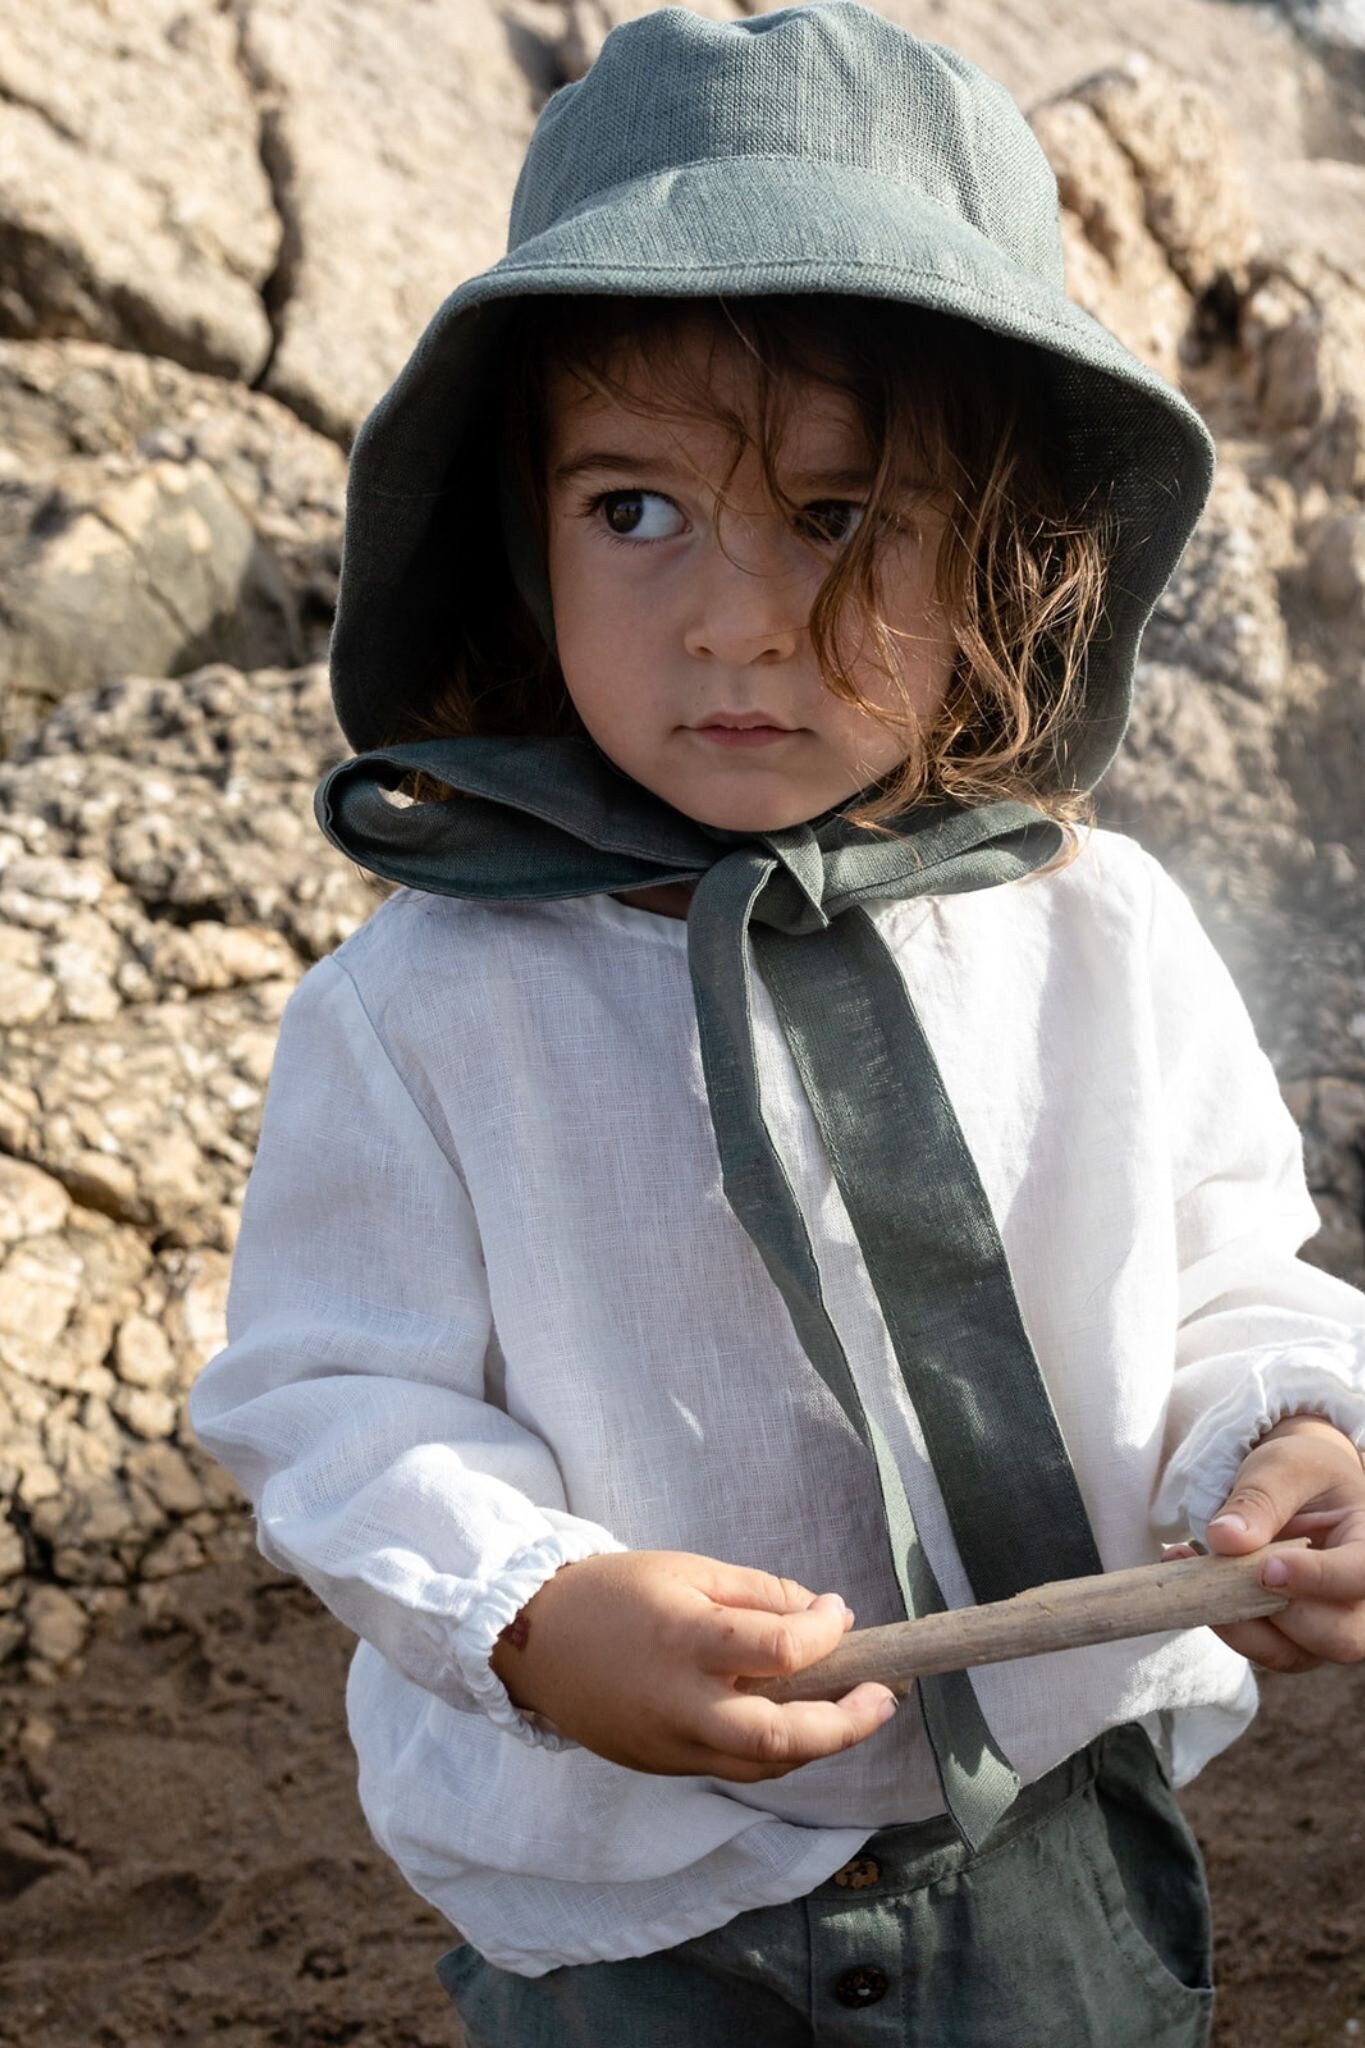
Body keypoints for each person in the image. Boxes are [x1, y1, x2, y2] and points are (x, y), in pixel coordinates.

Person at [185, 5, 1365, 2042]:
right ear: (513, 526)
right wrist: (534, 1610)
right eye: (634, 509)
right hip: (633, 1905)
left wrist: (1286, 1436)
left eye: (833, 517)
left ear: (1005, 552)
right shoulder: (423, 1007)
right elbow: (333, 1399)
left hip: (1055, 1850)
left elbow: (1224, 1274)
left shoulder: (1099, 935)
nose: (731, 619)